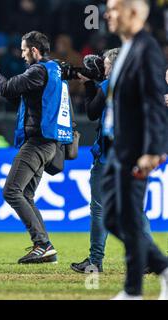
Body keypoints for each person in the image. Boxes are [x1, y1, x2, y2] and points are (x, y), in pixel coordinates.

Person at [0, 31, 73, 264]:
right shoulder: (54, 70)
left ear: (34, 50)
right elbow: (18, 94)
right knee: (26, 194)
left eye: (24, 50)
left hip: (38, 142)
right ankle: (44, 246)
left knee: (11, 191)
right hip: (49, 142)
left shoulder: (38, 70)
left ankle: (42, 244)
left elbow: (8, 88)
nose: (21, 55)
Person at [103, 0, 168, 300]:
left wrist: (153, 149)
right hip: (119, 147)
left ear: (134, 12)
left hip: (136, 150)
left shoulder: (147, 49)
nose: (107, 14)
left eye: (114, 8)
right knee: (112, 218)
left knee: (129, 218)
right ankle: (164, 267)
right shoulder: (128, 47)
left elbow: (153, 102)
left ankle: (132, 291)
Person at [70, 48, 154, 273]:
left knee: (99, 210)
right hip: (134, 156)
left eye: (106, 65)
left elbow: (91, 112)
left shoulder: (109, 86)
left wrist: (88, 84)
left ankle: (95, 261)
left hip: (109, 158)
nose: (103, 69)